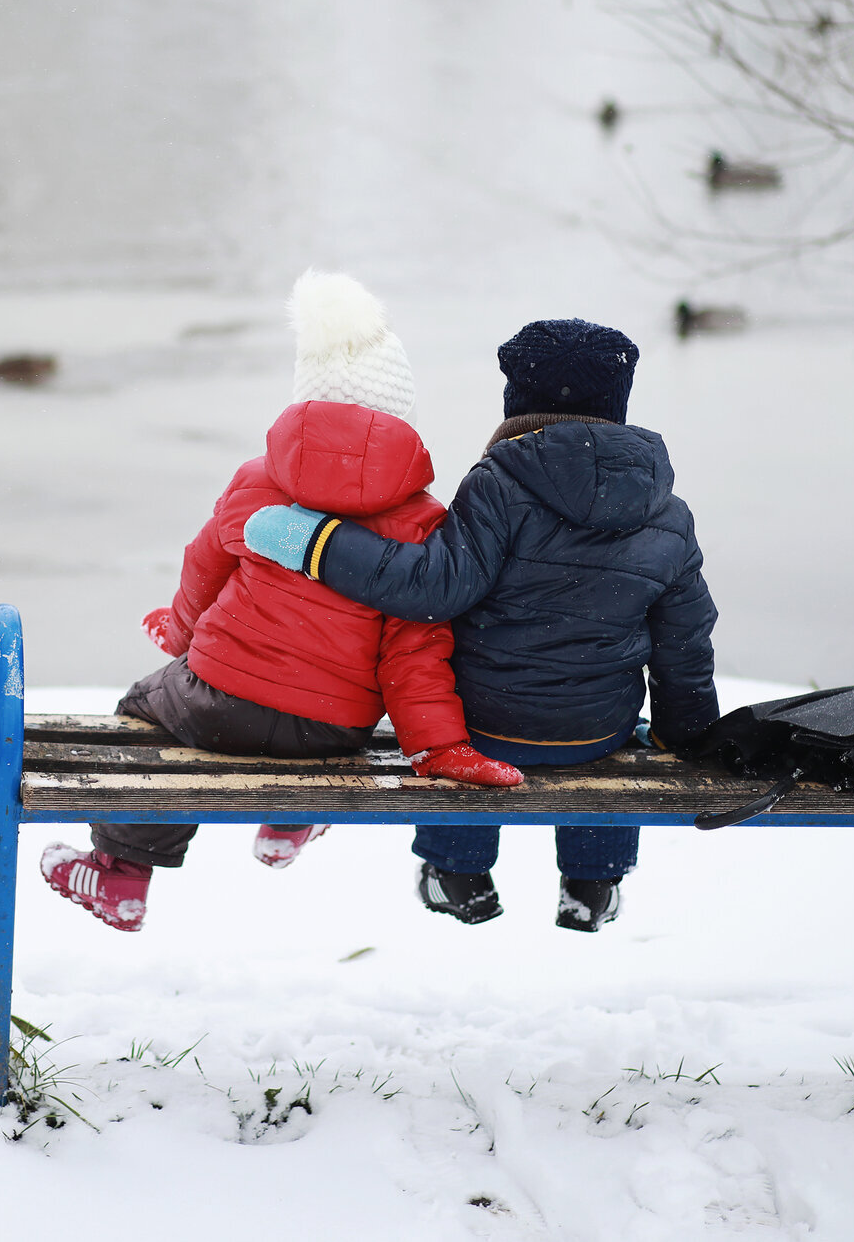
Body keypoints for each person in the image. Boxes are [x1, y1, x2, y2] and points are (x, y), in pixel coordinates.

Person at [41, 271, 525, 932]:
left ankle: (123, 871)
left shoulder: (257, 481)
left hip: (215, 702)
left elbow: (202, 565)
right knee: (304, 727)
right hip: (330, 728)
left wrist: (180, 631)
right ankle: (293, 814)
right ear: (400, 412)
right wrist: (437, 745)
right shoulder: (419, 520)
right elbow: (413, 653)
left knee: (145, 708)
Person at [241, 317, 719, 931]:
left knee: (463, 722)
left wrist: (319, 542)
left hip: (488, 725)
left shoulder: (498, 484)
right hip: (595, 730)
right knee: (619, 731)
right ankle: (593, 882)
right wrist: (686, 731)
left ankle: (457, 872)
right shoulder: (668, 512)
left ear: (516, 401)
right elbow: (684, 641)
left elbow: (434, 588)